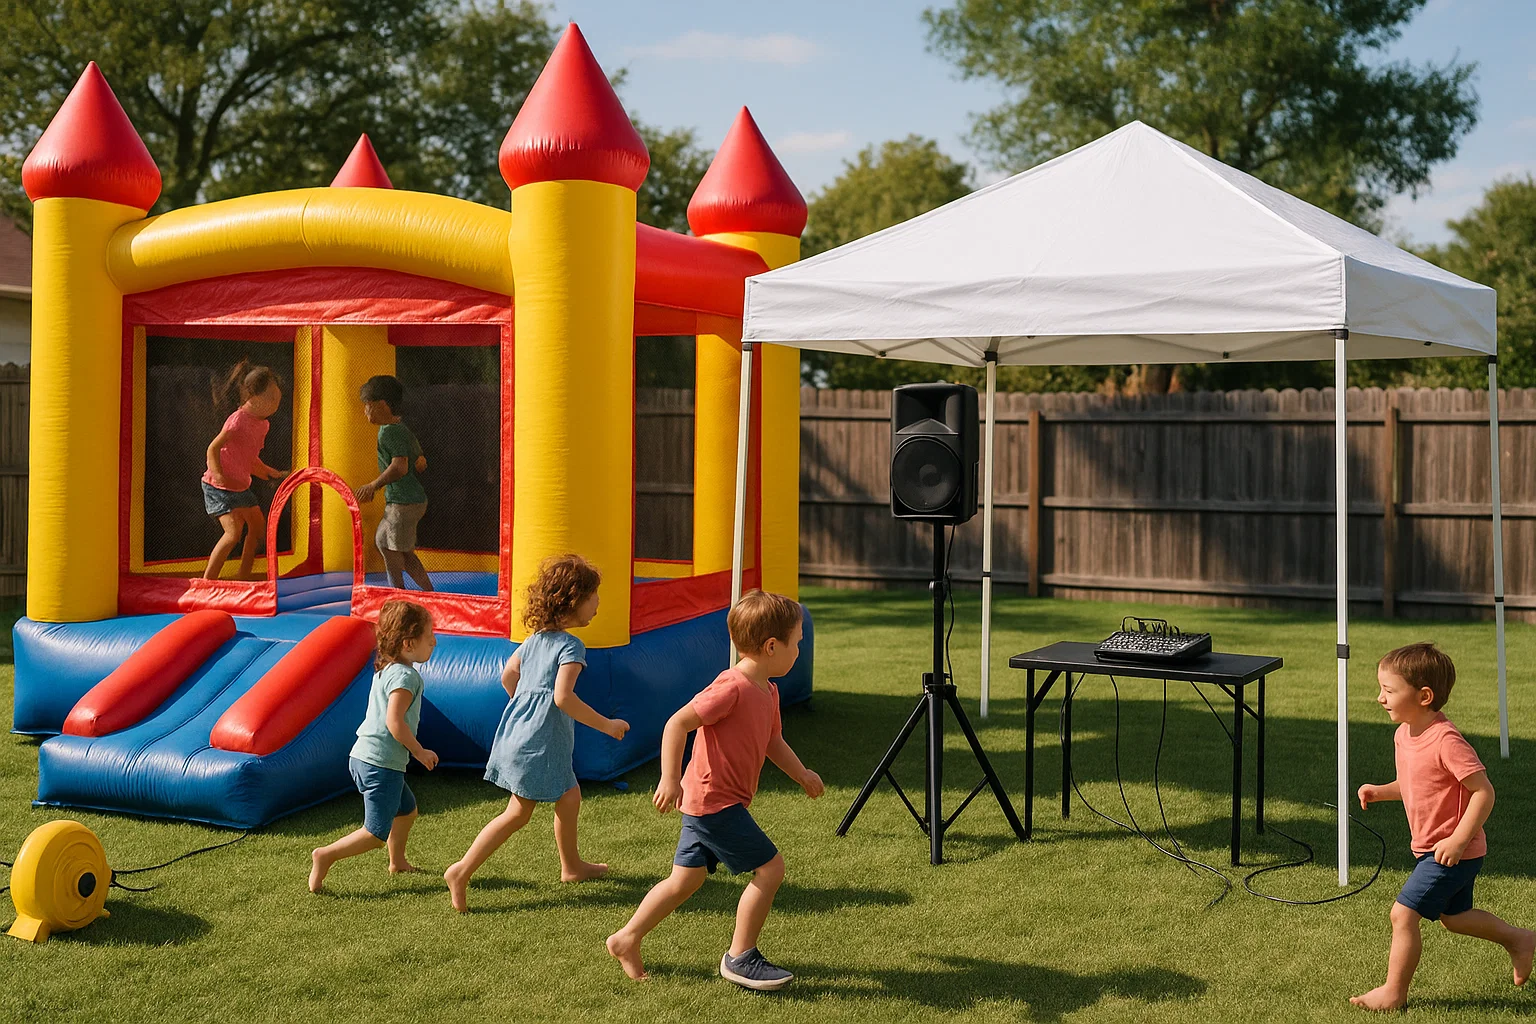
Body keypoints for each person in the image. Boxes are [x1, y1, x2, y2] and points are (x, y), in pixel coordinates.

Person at [607, 589, 822, 991]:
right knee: (771, 868)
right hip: (714, 803)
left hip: (714, 802)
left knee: (684, 881)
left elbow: (773, 740)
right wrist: (670, 778)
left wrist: (802, 773)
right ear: (771, 646)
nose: (799, 650)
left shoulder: (768, 691)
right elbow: (677, 724)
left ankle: (626, 938)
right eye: (797, 643)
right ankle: (741, 957)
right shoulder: (731, 687)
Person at [1350, 642, 1534, 1011]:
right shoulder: (1404, 734)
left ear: (1424, 696)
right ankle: (1520, 939)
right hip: (1432, 849)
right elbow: (1417, 783)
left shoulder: (1447, 741)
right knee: (1455, 917)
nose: (1380, 698)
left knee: (1402, 914)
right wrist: (1380, 791)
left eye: (1388, 690)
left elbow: (1483, 791)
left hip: (1452, 852)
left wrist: (1458, 839)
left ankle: (1393, 992)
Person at [444, 554, 629, 912]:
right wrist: (607, 725)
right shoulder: (571, 646)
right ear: (573, 600)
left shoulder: (533, 641)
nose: (598, 603)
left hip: (522, 734)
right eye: (593, 596)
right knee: (518, 813)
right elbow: (563, 697)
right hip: (539, 743)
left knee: (569, 796)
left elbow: (507, 677)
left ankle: (572, 866)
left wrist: (526, 707)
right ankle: (461, 870)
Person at [309, 600, 439, 893]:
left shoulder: (387, 670)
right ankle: (325, 855)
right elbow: (395, 722)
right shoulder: (406, 677)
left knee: (407, 810)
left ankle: (398, 861)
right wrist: (419, 752)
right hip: (381, 764)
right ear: (408, 643)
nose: (434, 640)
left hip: (363, 757)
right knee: (375, 833)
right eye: (429, 635)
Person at [202, 360, 287, 580]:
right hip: (218, 486)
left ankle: (243, 576)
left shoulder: (262, 424)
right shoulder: (238, 420)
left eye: (278, 400)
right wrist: (219, 475)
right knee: (233, 533)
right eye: (270, 399)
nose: (275, 405)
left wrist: (270, 472)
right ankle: (207, 582)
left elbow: (250, 459)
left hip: (240, 485)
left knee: (257, 528)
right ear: (252, 397)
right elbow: (213, 448)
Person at [355, 374, 433, 592]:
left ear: (382, 405)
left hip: (404, 502)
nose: (365, 411)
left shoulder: (390, 433)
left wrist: (373, 485)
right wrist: (419, 459)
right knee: (391, 546)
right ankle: (426, 592)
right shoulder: (399, 429)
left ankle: (398, 594)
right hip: (406, 501)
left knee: (391, 548)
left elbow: (400, 466)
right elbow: (419, 460)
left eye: (368, 406)